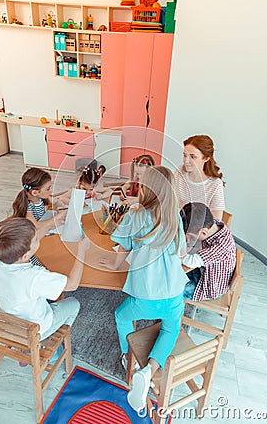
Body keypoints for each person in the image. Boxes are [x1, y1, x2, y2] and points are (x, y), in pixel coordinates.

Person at [100, 166, 187, 412]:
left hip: (145, 296)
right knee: (171, 329)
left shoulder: (135, 216)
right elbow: (181, 253)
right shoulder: (175, 218)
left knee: (121, 315)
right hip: (173, 295)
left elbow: (122, 250)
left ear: (147, 189)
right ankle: (149, 369)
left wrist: (113, 263)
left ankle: (130, 359)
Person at [0, 217, 90, 343]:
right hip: (35, 329)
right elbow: (72, 284)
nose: (38, 237)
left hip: (10, 322)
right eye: (36, 239)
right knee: (74, 303)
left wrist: (49, 225)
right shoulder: (35, 277)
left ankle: (34, 347)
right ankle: (47, 346)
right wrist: (81, 252)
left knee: (47, 295)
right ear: (25, 256)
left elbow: (28, 245)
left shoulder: (0, 258)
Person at [180, 202, 236, 301]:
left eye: (191, 237)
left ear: (203, 232)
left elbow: (189, 261)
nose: (188, 240)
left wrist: (180, 247)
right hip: (204, 272)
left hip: (209, 287)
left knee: (172, 290)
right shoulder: (214, 224)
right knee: (173, 276)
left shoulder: (220, 247)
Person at [174, 135, 225, 220]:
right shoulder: (180, 172)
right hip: (177, 224)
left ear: (206, 158)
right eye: (185, 155)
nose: (186, 161)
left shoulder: (215, 184)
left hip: (198, 231)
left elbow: (216, 221)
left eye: (192, 157)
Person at [12, 167, 67, 238]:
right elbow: (35, 225)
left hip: (43, 223)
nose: (51, 191)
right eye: (48, 189)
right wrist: (55, 219)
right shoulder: (28, 205)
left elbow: (56, 201)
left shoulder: (41, 197)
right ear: (35, 192)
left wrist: (62, 209)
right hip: (29, 234)